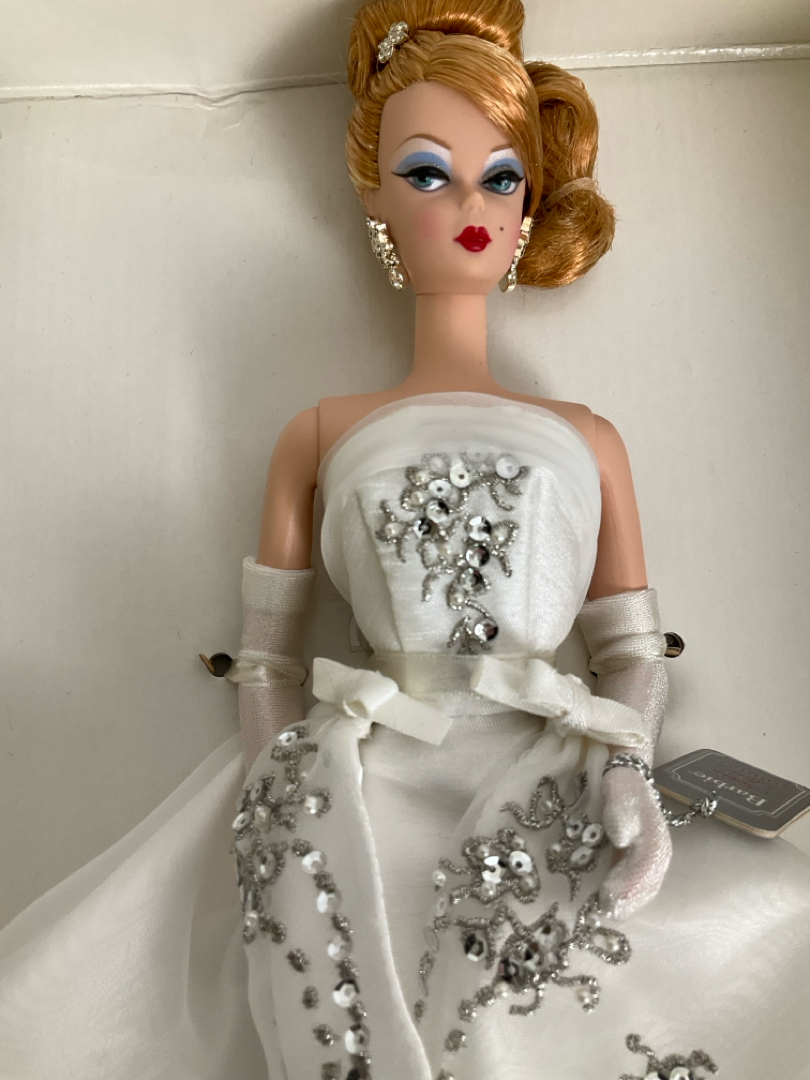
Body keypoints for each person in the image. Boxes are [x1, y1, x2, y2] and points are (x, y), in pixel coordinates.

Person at [1, 2, 809, 1079]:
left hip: (547, 779)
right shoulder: (320, 432)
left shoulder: (590, 437)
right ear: (375, 195)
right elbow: (268, 662)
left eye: (501, 178)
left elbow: (628, 649)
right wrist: (276, 799)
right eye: (428, 173)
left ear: (530, 205)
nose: (470, 205)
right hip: (361, 782)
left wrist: (629, 769)